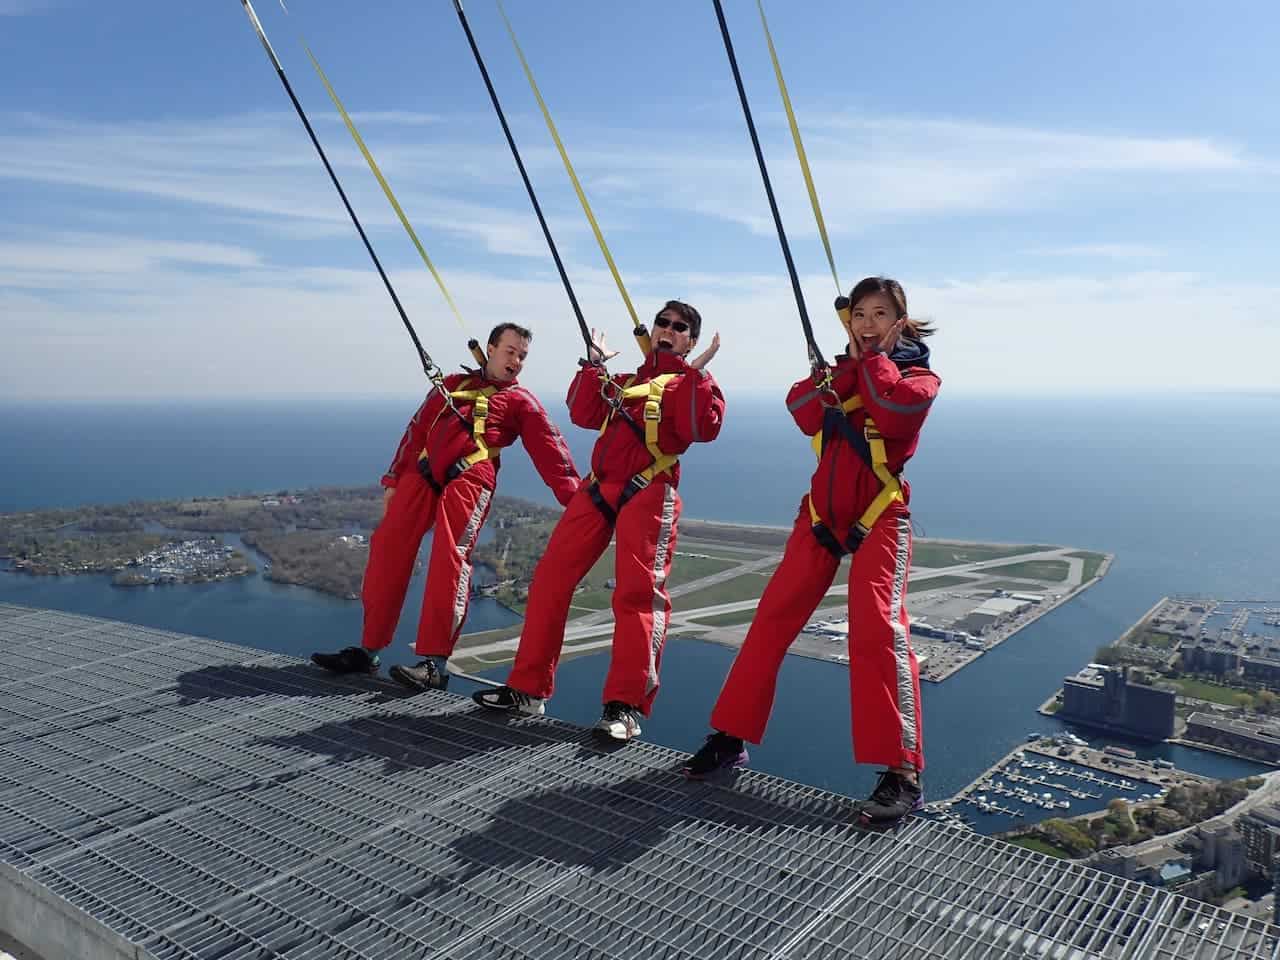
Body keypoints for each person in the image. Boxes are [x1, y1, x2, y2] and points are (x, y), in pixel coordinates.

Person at [682, 277, 939, 828]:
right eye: (860, 315)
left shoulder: (919, 377)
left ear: (901, 322)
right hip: (820, 516)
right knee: (771, 619)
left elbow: (895, 412)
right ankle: (729, 737)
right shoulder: (840, 373)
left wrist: (866, 364)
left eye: (880, 314)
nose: (868, 324)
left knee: (876, 628)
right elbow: (800, 406)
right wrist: (847, 366)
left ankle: (903, 772)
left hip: (880, 515)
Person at [473, 301, 725, 741]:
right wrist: (592, 365)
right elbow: (583, 413)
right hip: (600, 487)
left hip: (650, 490)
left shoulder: (689, 383)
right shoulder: (626, 381)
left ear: (691, 341)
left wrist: (698, 374)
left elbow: (701, 428)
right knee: (550, 580)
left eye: (679, 327)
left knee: (637, 595)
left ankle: (624, 708)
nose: (667, 330)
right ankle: (527, 689)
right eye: (662, 323)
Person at [311, 322, 580, 691]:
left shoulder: (521, 402)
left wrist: (579, 502)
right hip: (423, 471)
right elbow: (417, 429)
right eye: (510, 352)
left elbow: (553, 453)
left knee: (449, 558)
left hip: (472, 474)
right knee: (388, 548)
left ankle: (435, 664)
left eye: (522, 356)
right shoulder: (450, 385)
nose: (516, 361)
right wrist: (393, 479)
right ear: (490, 349)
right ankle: (368, 651)